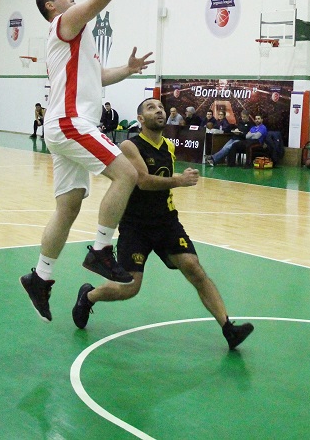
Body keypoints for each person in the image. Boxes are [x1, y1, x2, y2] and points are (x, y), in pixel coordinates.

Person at [21, 0, 159, 323]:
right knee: (127, 174)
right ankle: (100, 250)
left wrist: (128, 69)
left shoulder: (78, 41)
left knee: (68, 206)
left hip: (63, 126)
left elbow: (98, 78)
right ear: (52, 6)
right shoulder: (64, 24)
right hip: (70, 122)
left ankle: (40, 277)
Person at [71, 97, 254, 350]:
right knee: (130, 288)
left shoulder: (168, 145)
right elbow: (143, 180)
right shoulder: (130, 145)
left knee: (194, 268)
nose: (158, 110)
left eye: (160, 107)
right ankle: (88, 296)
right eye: (151, 108)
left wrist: (178, 179)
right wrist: (179, 181)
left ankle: (228, 328)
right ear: (140, 119)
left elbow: (161, 179)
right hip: (135, 225)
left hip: (166, 221)